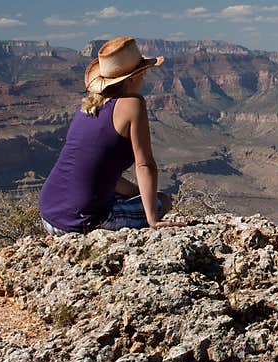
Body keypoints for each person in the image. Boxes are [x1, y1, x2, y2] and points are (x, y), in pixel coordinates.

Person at [38, 36, 183, 234]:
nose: (144, 78)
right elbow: (145, 164)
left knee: (138, 194)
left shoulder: (87, 107)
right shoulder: (133, 104)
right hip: (80, 221)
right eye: (142, 73)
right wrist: (152, 219)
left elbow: (96, 170)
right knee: (163, 200)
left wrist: (137, 192)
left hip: (49, 214)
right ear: (131, 78)